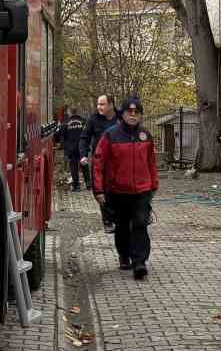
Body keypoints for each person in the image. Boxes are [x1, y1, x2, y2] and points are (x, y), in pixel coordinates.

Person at [92, 96, 159, 279]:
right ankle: (124, 255)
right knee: (122, 226)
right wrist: (98, 190)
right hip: (118, 190)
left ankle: (139, 262)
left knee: (140, 223)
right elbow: (98, 162)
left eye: (137, 113)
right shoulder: (110, 135)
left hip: (142, 190)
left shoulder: (145, 135)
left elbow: (151, 162)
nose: (133, 116)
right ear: (122, 114)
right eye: (129, 113)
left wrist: (153, 184)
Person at [80, 93, 119, 231]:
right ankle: (107, 221)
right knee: (101, 191)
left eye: (102, 104)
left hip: (118, 161)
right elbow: (84, 138)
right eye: (98, 104)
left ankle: (118, 218)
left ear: (111, 105)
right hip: (100, 162)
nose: (99, 107)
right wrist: (83, 155)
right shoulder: (93, 119)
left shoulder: (122, 117)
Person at [59, 109, 86, 190]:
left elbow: (61, 134)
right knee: (84, 164)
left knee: (73, 167)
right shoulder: (83, 121)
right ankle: (88, 184)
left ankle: (76, 185)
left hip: (71, 148)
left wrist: (63, 146)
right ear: (77, 112)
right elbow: (88, 133)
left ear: (70, 113)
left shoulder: (66, 122)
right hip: (82, 147)